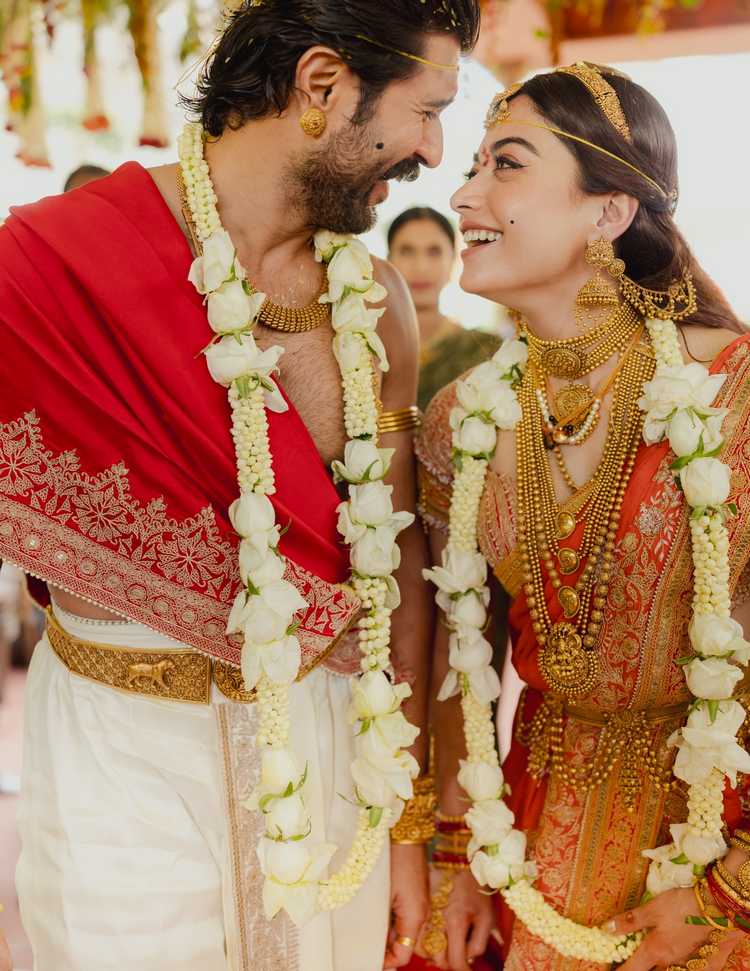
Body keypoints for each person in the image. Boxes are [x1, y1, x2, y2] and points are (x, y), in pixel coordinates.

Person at [0, 2, 481, 969]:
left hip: (331, 759)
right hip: (116, 768)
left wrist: (403, 821)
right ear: (321, 85)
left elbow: (395, 563)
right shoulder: (47, 267)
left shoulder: (375, 301)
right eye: (426, 112)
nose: (433, 153)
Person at [416, 63, 750, 971]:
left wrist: (730, 891)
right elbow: (458, 653)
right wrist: (461, 849)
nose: (465, 192)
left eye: (507, 164)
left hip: (709, 856)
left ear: (609, 210)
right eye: (475, 164)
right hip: (532, 839)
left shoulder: (731, 395)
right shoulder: (462, 421)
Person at [387, 207, 500, 411]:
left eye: (434, 252)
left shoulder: (486, 351)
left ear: (453, 261)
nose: (421, 267)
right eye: (407, 251)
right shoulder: (360, 347)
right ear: (389, 261)